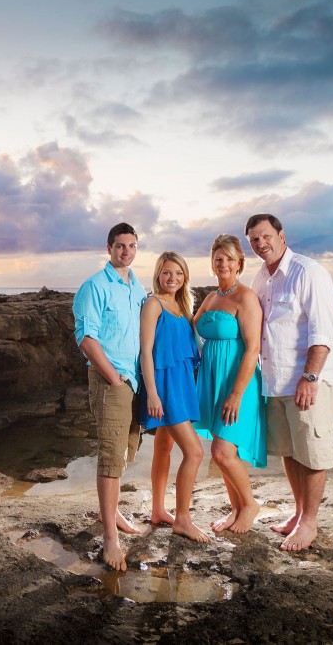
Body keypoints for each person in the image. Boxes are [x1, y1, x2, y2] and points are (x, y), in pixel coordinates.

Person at [245, 213, 333, 551]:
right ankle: (299, 513)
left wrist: (310, 377)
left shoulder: (308, 272)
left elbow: (323, 332)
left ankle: (310, 523)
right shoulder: (260, 278)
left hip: (306, 382)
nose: (261, 244)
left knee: (313, 453)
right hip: (275, 383)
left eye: (266, 236)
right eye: (254, 240)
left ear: (281, 235)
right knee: (290, 451)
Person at [72, 222, 148, 570]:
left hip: (134, 381)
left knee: (126, 450)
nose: (126, 251)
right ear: (109, 248)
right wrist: (114, 379)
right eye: (120, 246)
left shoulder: (136, 287)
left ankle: (113, 512)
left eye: (131, 246)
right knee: (110, 456)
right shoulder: (94, 287)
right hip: (112, 381)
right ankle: (110, 539)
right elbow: (86, 338)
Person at [193, 234, 266, 534]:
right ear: (212, 262)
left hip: (238, 384)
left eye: (229, 259)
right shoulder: (211, 298)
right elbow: (190, 327)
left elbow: (252, 348)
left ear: (239, 264)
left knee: (222, 451)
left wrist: (236, 394)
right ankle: (235, 509)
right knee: (224, 453)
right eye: (218, 259)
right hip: (213, 380)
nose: (223, 264)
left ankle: (249, 505)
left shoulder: (246, 297)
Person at [139, 251, 208, 543]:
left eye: (179, 274)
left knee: (164, 449)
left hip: (182, 384)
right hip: (164, 388)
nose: (173, 279)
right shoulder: (153, 304)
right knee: (195, 452)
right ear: (158, 274)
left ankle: (157, 510)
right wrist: (152, 394)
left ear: (185, 278)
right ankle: (182, 518)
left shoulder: (183, 307)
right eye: (167, 273)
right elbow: (145, 352)